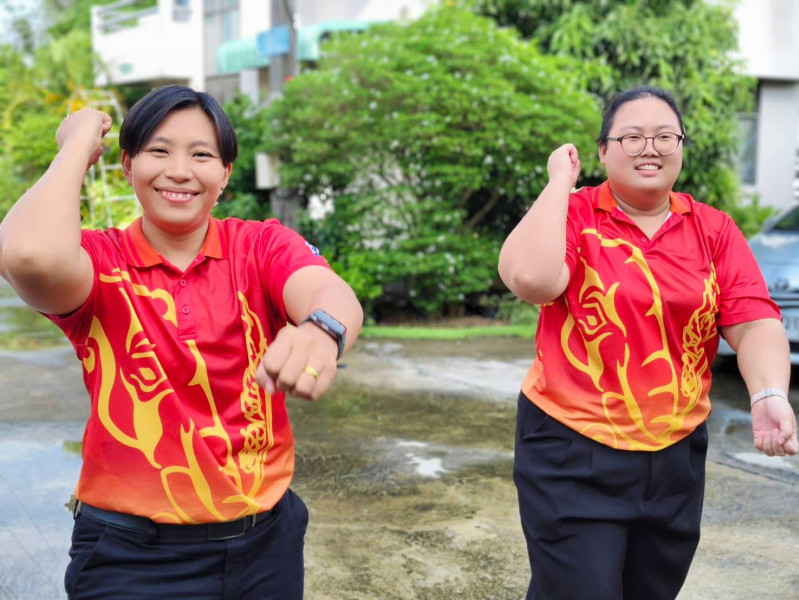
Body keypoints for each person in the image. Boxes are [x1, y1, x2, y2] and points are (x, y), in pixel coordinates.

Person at [0, 85, 363, 600]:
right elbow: (27, 254)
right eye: (159, 150)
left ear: (225, 174)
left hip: (266, 545)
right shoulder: (99, 263)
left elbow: (330, 292)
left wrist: (321, 330)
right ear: (128, 166)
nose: (179, 171)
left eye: (201, 155)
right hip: (128, 556)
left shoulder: (259, 245)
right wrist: (78, 142)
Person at [498, 85, 798, 600]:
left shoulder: (712, 229)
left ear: (681, 146)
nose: (650, 149)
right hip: (571, 448)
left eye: (664, 136)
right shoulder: (576, 214)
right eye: (632, 137)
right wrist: (559, 183)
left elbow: (752, 320)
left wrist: (768, 393)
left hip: (675, 454)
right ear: (603, 150)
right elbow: (532, 279)